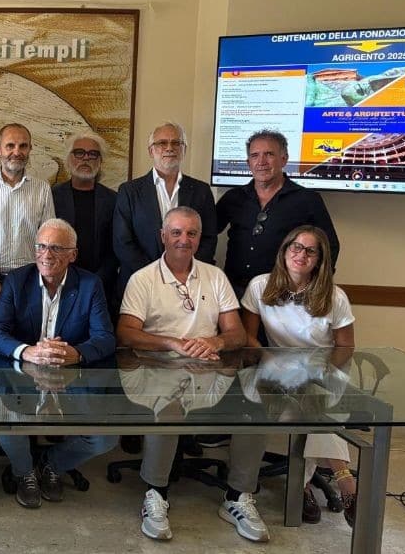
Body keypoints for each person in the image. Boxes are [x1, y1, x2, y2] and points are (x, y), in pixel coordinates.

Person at [116, 206, 268, 543]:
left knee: (255, 408)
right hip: (154, 369)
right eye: (176, 232)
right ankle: (156, 493)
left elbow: (237, 333)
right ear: (163, 236)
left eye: (191, 233)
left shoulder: (215, 277)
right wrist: (173, 343)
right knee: (169, 407)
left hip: (210, 370)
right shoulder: (142, 279)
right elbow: (126, 333)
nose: (183, 239)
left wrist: (214, 341)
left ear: (200, 239)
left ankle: (238, 496)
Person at [0, 218, 116, 509]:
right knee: (1, 418)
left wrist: (76, 353)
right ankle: (24, 472)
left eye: (56, 248)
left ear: (73, 254)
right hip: (22, 375)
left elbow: (106, 338)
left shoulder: (90, 285)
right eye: (41, 246)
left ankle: (52, 464)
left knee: (105, 438)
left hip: (70, 378)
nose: (46, 254)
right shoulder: (17, 281)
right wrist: (28, 351)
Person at [240, 225, 358, 527]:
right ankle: (344, 482)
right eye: (295, 246)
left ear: (319, 260)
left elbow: (346, 346)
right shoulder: (260, 286)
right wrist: (271, 361)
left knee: (310, 400)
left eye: (310, 250)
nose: (301, 254)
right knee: (310, 405)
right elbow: (248, 338)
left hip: (324, 368)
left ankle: (304, 486)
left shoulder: (334, 296)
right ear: (284, 250)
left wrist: (321, 372)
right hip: (275, 368)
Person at [216, 129, 340, 297]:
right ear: (248, 162)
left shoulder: (307, 199)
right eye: (255, 155)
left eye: (269, 154)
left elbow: (329, 246)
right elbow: (206, 233)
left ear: (284, 159)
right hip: (234, 292)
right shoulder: (233, 197)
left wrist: (312, 287)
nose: (261, 162)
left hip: (282, 295)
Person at [114, 122, 217, 295]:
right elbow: (122, 242)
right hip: (140, 284)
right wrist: (156, 275)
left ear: (184, 150)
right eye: (162, 143)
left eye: (176, 143)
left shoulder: (202, 191)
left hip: (188, 284)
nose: (169, 148)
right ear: (151, 151)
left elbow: (208, 238)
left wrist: (183, 272)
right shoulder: (129, 191)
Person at [0, 123, 54, 313]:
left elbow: (48, 241)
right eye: (10, 146)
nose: (17, 152)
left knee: (27, 331)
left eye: (23, 146)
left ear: (30, 149)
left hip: (30, 280)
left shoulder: (42, 189)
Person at [51, 129, 118, 309]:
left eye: (93, 154)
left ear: (100, 161)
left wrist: (97, 280)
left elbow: (116, 247)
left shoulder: (113, 199)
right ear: (69, 159)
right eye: (79, 153)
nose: (86, 158)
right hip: (59, 283)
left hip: (101, 286)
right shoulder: (52, 196)